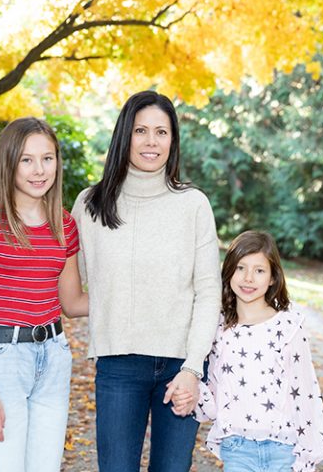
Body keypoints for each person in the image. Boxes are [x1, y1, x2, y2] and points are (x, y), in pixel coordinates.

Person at [71, 90, 222, 472]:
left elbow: (208, 293)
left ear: (173, 140)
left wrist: (193, 369)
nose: (151, 142)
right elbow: (73, 290)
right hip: (118, 365)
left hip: (180, 366)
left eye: (162, 132)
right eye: (141, 131)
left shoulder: (193, 204)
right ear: (125, 135)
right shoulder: (90, 205)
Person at [0, 117, 88, 472]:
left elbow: (72, 302)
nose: (39, 170)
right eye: (27, 160)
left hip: (54, 359)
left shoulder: (64, 224)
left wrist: (135, 295)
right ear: (8, 163)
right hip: (1, 362)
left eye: (47, 158)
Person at [194, 230, 323, 472]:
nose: (248, 278)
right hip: (237, 448)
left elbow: (305, 391)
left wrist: (307, 456)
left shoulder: (289, 327)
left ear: (272, 278)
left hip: (284, 449)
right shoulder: (218, 327)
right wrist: (191, 394)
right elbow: (215, 388)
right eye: (240, 268)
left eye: (259, 270)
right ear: (228, 272)